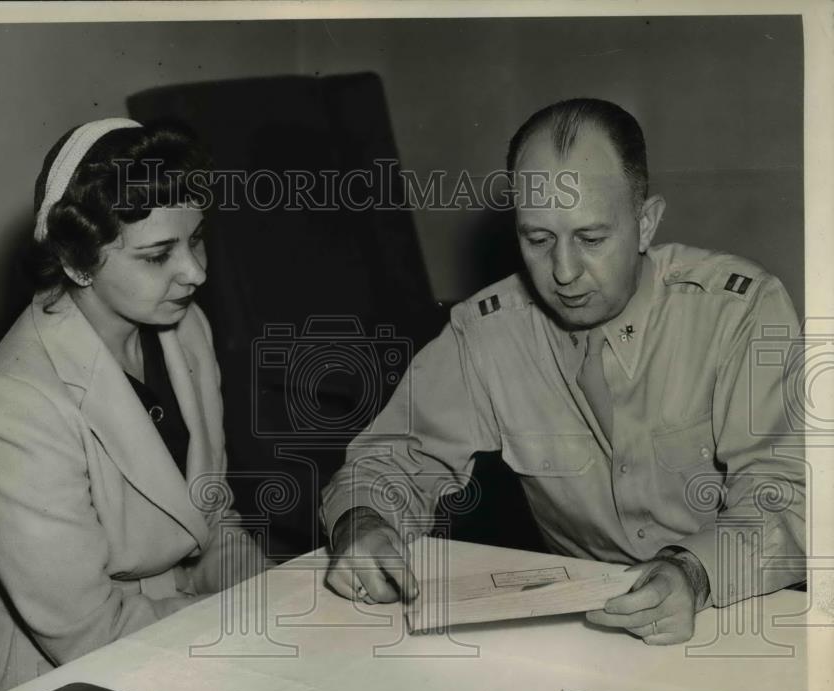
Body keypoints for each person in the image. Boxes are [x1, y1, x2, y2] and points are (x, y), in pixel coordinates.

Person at [321, 98, 805, 645]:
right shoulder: (486, 333)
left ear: (646, 223)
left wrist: (693, 571)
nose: (565, 273)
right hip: (589, 627)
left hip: (741, 607)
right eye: (538, 239)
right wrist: (362, 523)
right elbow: (395, 457)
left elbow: (786, 492)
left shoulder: (739, 310)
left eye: (592, 239)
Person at [0, 118, 267, 691]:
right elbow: (88, 633)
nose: (195, 272)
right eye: (156, 255)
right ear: (77, 264)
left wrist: (269, 599)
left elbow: (211, 516)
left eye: (196, 238)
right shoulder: (12, 405)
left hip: (176, 632)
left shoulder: (184, 325)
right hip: (52, 690)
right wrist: (240, 632)